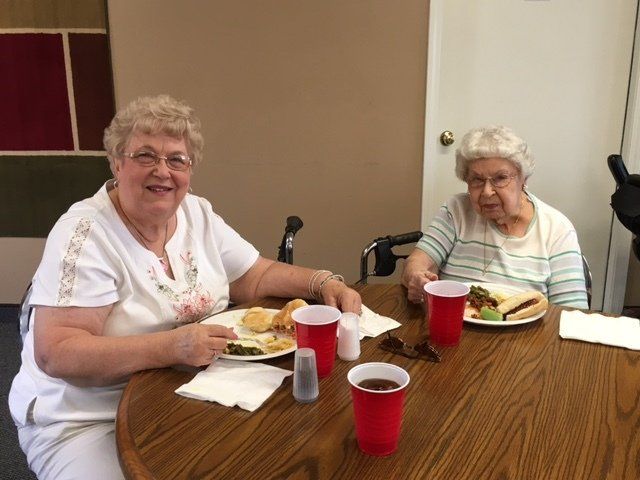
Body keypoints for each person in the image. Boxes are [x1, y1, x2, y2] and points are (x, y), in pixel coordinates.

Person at [9, 95, 361, 480]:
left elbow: (254, 275)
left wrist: (322, 281)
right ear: (116, 161)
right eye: (145, 156)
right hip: (88, 418)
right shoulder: (86, 234)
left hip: (185, 394)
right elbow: (56, 353)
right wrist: (172, 346)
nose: (163, 171)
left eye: (177, 159)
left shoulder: (197, 213)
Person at [402, 125, 588, 309]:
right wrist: (416, 277)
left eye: (500, 178)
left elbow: (571, 312)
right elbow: (416, 262)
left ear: (523, 179)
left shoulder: (555, 228)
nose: (487, 191)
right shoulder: (457, 210)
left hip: (525, 337)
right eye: (477, 179)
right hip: (455, 328)